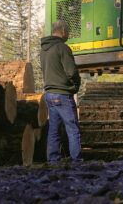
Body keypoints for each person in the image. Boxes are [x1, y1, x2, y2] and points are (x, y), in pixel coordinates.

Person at [41, 19, 82, 162]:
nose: (69, 34)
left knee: (54, 130)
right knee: (72, 128)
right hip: (63, 94)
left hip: (49, 94)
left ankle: (53, 160)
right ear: (63, 31)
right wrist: (76, 85)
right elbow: (71, 72)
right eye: (68, 31)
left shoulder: (44, 49)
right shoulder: (62, 48)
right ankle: (77, 160)